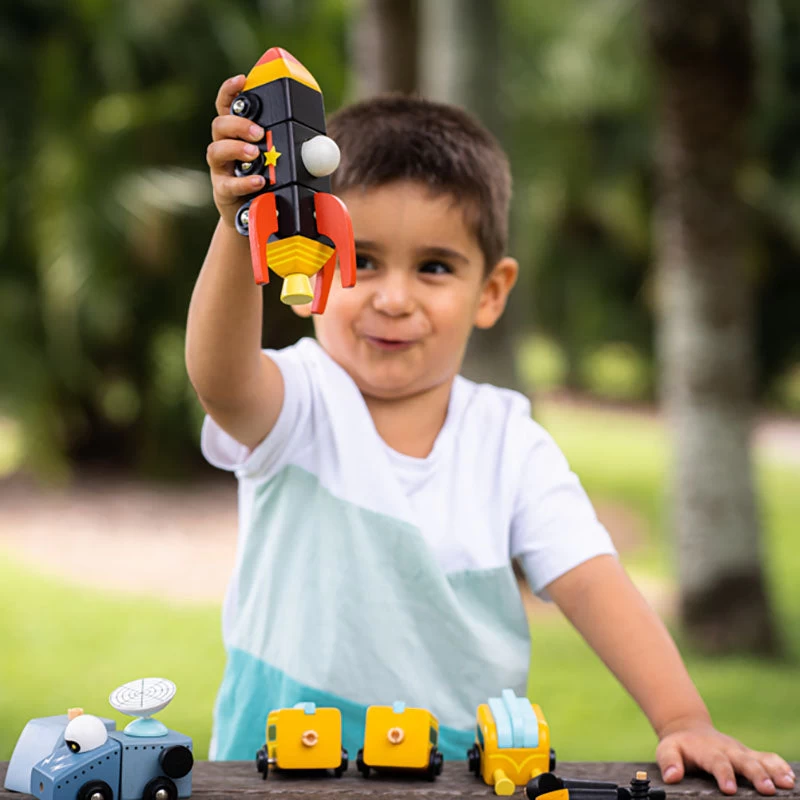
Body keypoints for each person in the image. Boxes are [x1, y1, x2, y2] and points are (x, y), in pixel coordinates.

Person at [186, 73, 795, 795]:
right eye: (365, 258)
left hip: (453, 778)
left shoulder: (509, 442)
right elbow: (221, 379)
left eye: (434, 267)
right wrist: (238, 227)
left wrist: (683, 719)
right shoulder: (300, 402)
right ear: (314, 258)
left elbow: (593, 582)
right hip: (276, 772)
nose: (393, 297)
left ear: (492, 292)